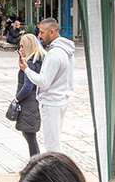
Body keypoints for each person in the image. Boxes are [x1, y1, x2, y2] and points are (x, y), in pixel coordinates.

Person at [19, 18, 74, 153]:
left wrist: (26, 70)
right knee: (54, 142)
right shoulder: (65, 51)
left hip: (52, 102)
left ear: (51, 32)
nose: (39, 36)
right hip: (60, 99)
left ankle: (56, 172)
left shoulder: (54, 54)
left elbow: (44, 82)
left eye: (42, 33)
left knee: (52, 145)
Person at [13, 34, 44, 156]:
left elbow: (27, 86)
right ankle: (35, 162)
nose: (20, 49)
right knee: (30, 135)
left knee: (29, 135)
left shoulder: (30, 64)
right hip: (33, 102)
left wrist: (16, 99)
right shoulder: (37, 61)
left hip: (29, 103)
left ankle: (35, 163)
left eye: (22, 46)